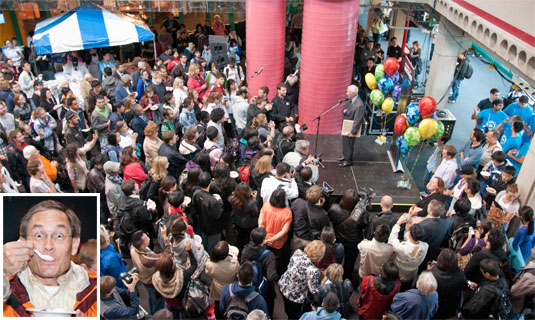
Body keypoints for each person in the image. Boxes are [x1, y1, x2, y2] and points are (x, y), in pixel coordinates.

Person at [3, 200, 97, 316]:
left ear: (74, 245)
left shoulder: (96, 291)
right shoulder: (6, 288)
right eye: (38, 235)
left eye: (59, 235)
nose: (48, 246)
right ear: (23, 244)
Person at [279, 240, 325, 319]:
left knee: (288, 310)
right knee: (294, 315)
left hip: (284, 285)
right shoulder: (313, 271)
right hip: (295, 296)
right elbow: (313, 290)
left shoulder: (297, 252)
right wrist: (323, 284)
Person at [152, 242, 198, 319]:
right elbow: (194, 265)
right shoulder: (182, 276)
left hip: (168, 303)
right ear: (172, 266)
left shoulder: (156, 279)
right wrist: (189, 250)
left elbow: (158, 294)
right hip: (183, 302)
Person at [328, 188, 363, 280]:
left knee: (337, 258)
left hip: (339, 238)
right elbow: (364, 224)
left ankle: (335, 275)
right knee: (350, 263)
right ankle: (346, 278)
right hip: (353, 242)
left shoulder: (333, 208)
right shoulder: (358, 215)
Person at [389, 214, 428, 286]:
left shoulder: (402, 248)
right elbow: (411, 241)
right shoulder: (425, 246)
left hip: (399, 274)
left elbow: (392, 240)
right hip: (411, 275)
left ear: (410, 235)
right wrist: (408, 229)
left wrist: (398, 223)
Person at [191, 172, 224, 253]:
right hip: (213, 229)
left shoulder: (196, 193)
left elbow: (194, 208)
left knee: (204, 243)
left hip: (202, 224)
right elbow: (217, 215)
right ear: (210, 182)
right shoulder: (213, 201)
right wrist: (220, 201)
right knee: (212, 247)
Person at [205, 241, 240, 318]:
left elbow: (207, 273)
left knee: (218, 305)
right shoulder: (234, 262)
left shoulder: (210, 265)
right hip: (231, 288)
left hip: (218, 289)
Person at [429, 248, 467, 319]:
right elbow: (464, 286)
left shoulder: (431, 274)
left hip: (434, 304)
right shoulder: (460, 274)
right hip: (450, 306)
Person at [291, 185, 331, 250]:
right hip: (308, 240)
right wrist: (320, 207)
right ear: (320, 200)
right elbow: (326, 226)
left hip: (296, 237)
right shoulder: (322, 214)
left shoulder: (297, 202)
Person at [418, 200, 452, 267]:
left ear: (430, 212)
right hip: (436, 250)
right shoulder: (448, 222)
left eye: (428, 207)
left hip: (423, 251)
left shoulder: (423, 225)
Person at [339, 85, 364, 167]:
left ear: (353, 93)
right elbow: (345, 109)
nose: (347, 93)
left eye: (348, 92)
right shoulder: (351, 100)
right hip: (345, 126)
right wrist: (344, 111)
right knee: (345, 142)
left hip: (351, 128)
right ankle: (345, 156)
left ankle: (348, 160)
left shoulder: (359, 105)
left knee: (349, 144)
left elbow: (358, 120)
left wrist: (353, 132)